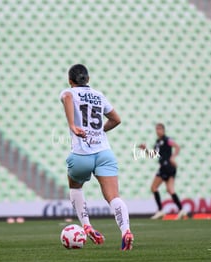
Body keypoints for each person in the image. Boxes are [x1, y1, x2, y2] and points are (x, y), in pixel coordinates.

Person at [60, 64, 133, 250]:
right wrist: (99, 131)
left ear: (70, 81)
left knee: (75, 187)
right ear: (88, 79)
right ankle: (126, 231)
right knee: (114, 197)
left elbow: (67, 97)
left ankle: (86, 226)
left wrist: (72, 126)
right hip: (104, 153)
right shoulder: (99, 95)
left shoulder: (69, 92)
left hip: (81, 154)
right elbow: (117, 119)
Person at [139, 123, 187, 220]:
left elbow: (177, 146)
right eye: (157, 129)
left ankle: (160, 211)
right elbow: (153, 155)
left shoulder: (166, 140)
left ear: (163, 130)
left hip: (166, 166)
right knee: (170, 190)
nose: (158, 131)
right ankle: (182, 210)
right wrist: (145, 150)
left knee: (154, 187)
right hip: (169, 167)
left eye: (160, 129)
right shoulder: (158, 142)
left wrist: (173, 157)